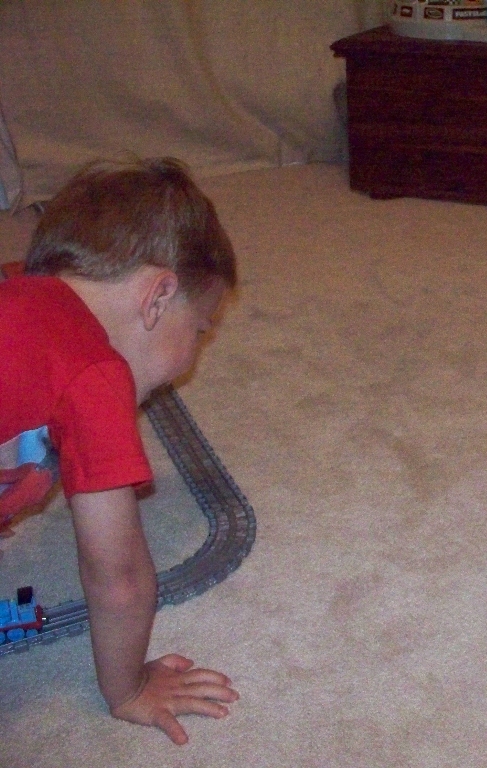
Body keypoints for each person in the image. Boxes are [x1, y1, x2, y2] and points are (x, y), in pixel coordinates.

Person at [0, 157, 240, 744]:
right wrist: (129, 687)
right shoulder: (93, 372)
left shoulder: (13, 289)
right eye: (201, 329)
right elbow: (118, 576)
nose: (195, 352)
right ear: (158, 297)